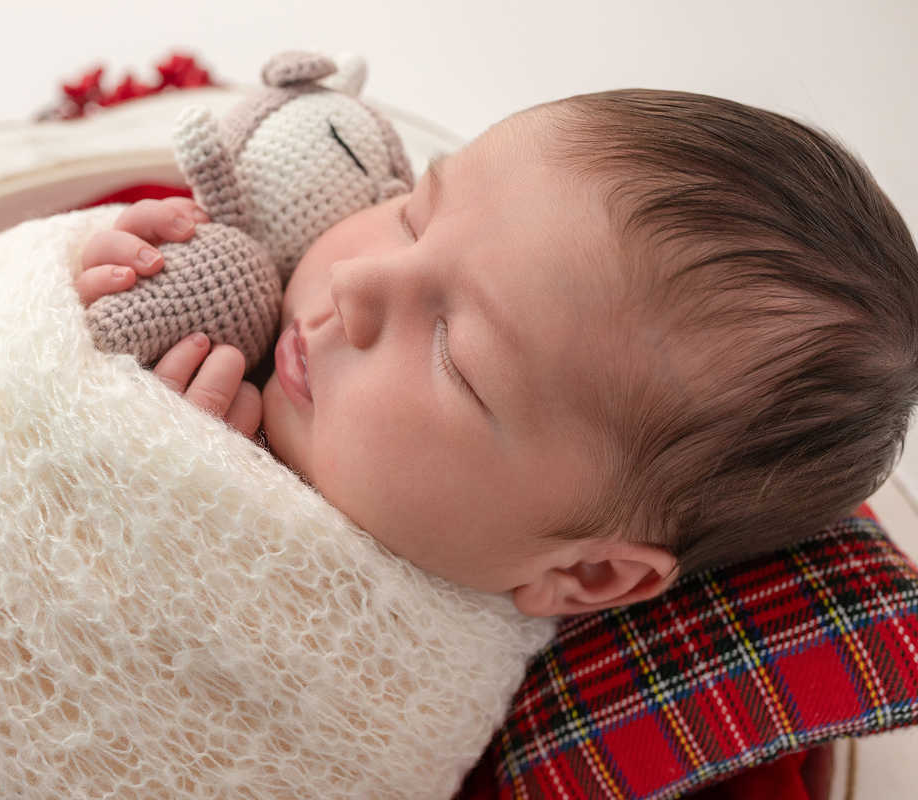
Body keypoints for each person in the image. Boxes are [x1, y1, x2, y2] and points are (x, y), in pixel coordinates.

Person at [75, 89, 918, 617]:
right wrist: (82, 285)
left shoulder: (416, 687)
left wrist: (158, 517)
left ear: (588, 576)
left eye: (455, 352)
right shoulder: (232, 274)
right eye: (414, 212)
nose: (355, 281)